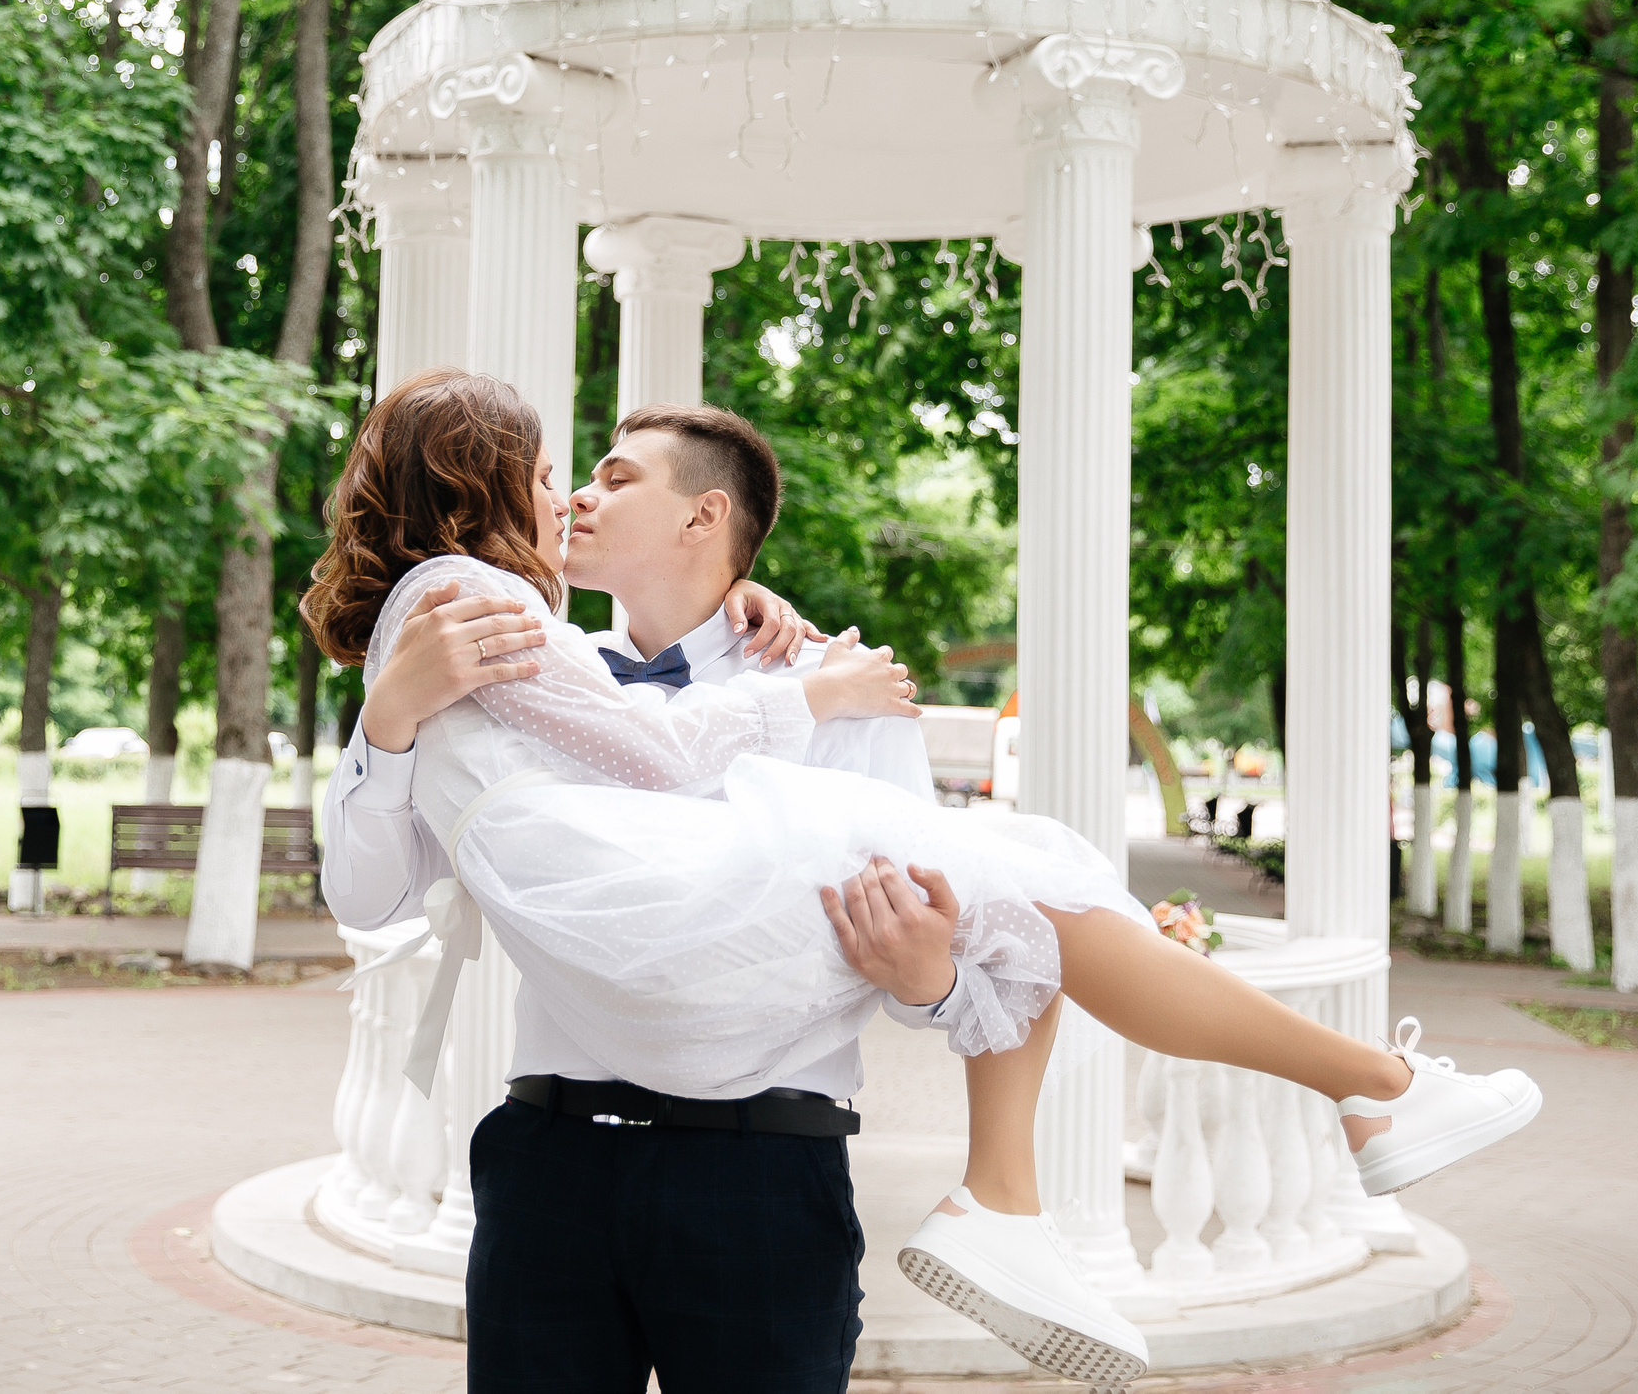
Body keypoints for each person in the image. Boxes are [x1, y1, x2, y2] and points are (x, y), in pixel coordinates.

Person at [307, 373, 1544, 1390]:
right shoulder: (505, 650)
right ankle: (1241, 1130)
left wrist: (929, 975)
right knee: (1045, 880)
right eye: (561, 472)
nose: (571, 494)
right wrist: (391, 720)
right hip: (552, 1159)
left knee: (1023, 900)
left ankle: (1052, 1188)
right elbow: (368, 895)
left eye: (612, 477)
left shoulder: (836, 692)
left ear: (705, 521)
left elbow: (934, 965)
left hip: (756, 1173)